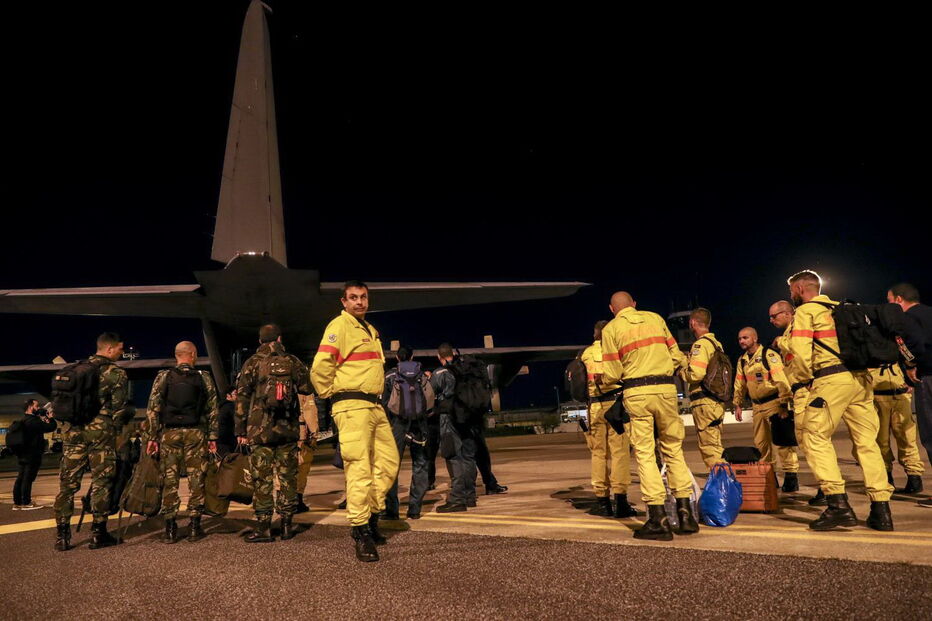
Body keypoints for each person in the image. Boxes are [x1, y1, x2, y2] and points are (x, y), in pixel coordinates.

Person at [785, 270, 893, 531]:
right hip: (861, 380)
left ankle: (838, 505)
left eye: (792, 291)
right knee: (867, 444)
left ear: (799, 288)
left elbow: (800, 355)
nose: (791, 295)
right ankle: (881, 510)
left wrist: (805, 380)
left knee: (814, 437)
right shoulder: (842, 308)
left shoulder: (806, 312)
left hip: (831, 380)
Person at [311, 281, 399, 562]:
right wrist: (330, 394)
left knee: (387, 463)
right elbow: (321, 365)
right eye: (353, 298)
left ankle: (372, 515)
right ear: (344, 302)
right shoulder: (341, 326)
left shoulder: (369, 330)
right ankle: (361, 531)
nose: (359, 302)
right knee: (359, 468)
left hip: (373, 405)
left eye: (363, 297)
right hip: (351, 405)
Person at [600, 291, 697, 540]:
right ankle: (686, 515)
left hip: (637, 392)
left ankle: (658, 517)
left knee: (644, 454)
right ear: (634, 304)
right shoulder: (655, 319)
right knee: (674, 450)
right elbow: (677, 356)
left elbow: (612, 373)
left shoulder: (611, 330)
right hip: (666, 389)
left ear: (612, 309)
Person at [236, 324, 313, 543]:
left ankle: (264, 528)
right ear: (279, 338)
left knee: (262, 480)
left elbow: (241, 398)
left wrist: (240, 429)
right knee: (288, 478)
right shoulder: (292, 361)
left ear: (260, 341)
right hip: (287, 430)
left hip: (260, 432)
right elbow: (307, 387)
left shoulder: (251, 363)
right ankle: (287, 526)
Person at [54, 332, 130, 551]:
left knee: (67, 485)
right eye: (119, 349)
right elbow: (119, 407)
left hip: (73, 432)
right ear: (108, 349)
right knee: (101, 481)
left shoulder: (74, 369)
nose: (121, 353)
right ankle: (99, 532)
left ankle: (62, 536)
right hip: (100, 433)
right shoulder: (115, 373)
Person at [144, 341, 220, 543]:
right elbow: (213, 409)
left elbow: (153, 409)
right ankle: (195, 526)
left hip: (170, 434)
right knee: (197, 479)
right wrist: (213, 437)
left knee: (170, 480)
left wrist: (152, 437)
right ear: (193, 354)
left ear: (177, 355)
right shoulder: (204, 377)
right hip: (196, 433)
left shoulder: (163, 377)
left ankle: (170, 527)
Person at [580, 320, 637, 517]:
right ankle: (621, 501)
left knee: (598, 454)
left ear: (595, 334)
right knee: (620, 453)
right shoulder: (616, 352)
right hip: (615, 406)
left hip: (595, 406)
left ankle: (602, 502)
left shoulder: (586, 353)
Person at [733, 327, 799, 492]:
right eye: (740, 338)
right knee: (762, 444)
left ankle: (791, 476)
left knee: (783, 442)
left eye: (745, 338)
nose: (742, 341)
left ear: (754, 338)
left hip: (774, 403)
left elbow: (781, 380)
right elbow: (739, 384)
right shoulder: (742, 360)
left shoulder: (768, 355)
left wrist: (784, 403)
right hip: (757, 406)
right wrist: (737, 404)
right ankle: (770, 478)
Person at [887, 282, 932, 508]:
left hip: (929, 377)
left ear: (898, 300)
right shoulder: (929, 312)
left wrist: (911, 365)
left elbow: (909, 344)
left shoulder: (907, 317)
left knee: (930, 434)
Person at [382, 346, 431, 520]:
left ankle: (391, 509)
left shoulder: (389, 376)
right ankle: (415, 508)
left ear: (396, 357)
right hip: (419, 425)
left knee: (392, 466)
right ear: (412, 356)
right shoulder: (421, 374)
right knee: (420, 464)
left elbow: (384, 404)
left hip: (396, 425)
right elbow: (429, 402)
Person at [432, 343, 478, 514]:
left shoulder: (440, 373)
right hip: (469, 418)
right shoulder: (466, 370)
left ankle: (457, 499)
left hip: (449, 418)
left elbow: (430, 394)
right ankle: (470, 496)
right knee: (468, 457)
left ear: (440, 356)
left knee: (453, 457)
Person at [866, 364, 924, 493]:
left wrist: (910, 381)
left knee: (907, 438)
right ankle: (888, 477)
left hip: (898, 393)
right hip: (877, 395)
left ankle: (914, 477)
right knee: (882, 441)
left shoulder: (898, 344)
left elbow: (910, 360)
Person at [682, 307, 727, 469]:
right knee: (715, 443)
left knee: (709, 447)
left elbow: (696, 374)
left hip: (704, 402)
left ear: (693, 323)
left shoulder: (700, 345)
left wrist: (682, 373)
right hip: (716, 401)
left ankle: (721, 484)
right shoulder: (716, 344)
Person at [12, 399, 56, 510]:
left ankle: (17, 503)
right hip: (32, 454)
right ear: (31, 407)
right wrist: (51, 418)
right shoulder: (33, 421)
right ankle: (26, 502)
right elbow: (50, 427)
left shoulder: (23, 420)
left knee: (21, 478)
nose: (38, 408)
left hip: (22, 454)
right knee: (28, 478)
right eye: (36, 406)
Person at [295, 393, 319, 514]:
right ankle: (297, 500)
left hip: (283, 432)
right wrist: (315, 433)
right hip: (300, 433)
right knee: (302, 466)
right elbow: (309, 411)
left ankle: (282, 499)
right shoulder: (304, 389)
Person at [216, 388, 238, 457]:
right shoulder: (231, 406)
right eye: (235, 394)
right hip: (228, 440)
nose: (237, 396)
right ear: (228, 395)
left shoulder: (220, 406)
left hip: (219, 439)